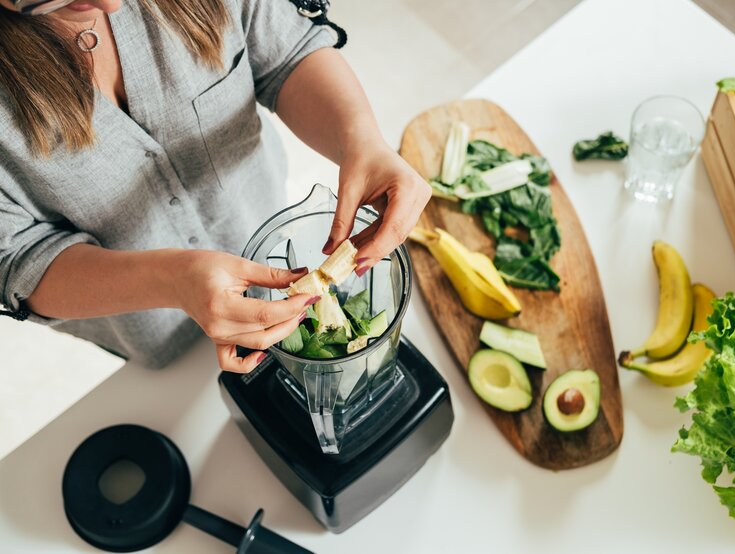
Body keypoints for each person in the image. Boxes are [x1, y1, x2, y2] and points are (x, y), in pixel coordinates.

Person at [0, 0, 430, 373]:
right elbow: (17, 258)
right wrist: (172, 281)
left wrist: (361, 139)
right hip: (147, 326)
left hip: (257, 218)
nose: (112, 6)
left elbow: (286, 53)